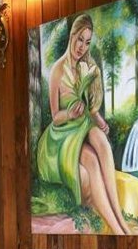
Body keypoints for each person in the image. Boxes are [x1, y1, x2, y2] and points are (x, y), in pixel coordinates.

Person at [36, 14, 131, 234]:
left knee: (101, 139)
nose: (82, 47)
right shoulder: (58, 70)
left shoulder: (84, 67)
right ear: (72, 36)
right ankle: (118, 229)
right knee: (92, 161)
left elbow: (89, 107)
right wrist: (69, 113)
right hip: (62, 135)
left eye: (87, 42)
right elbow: (55, 116)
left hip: (82, 126)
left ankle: (120, 219)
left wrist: (99, 120)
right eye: (80, 39)